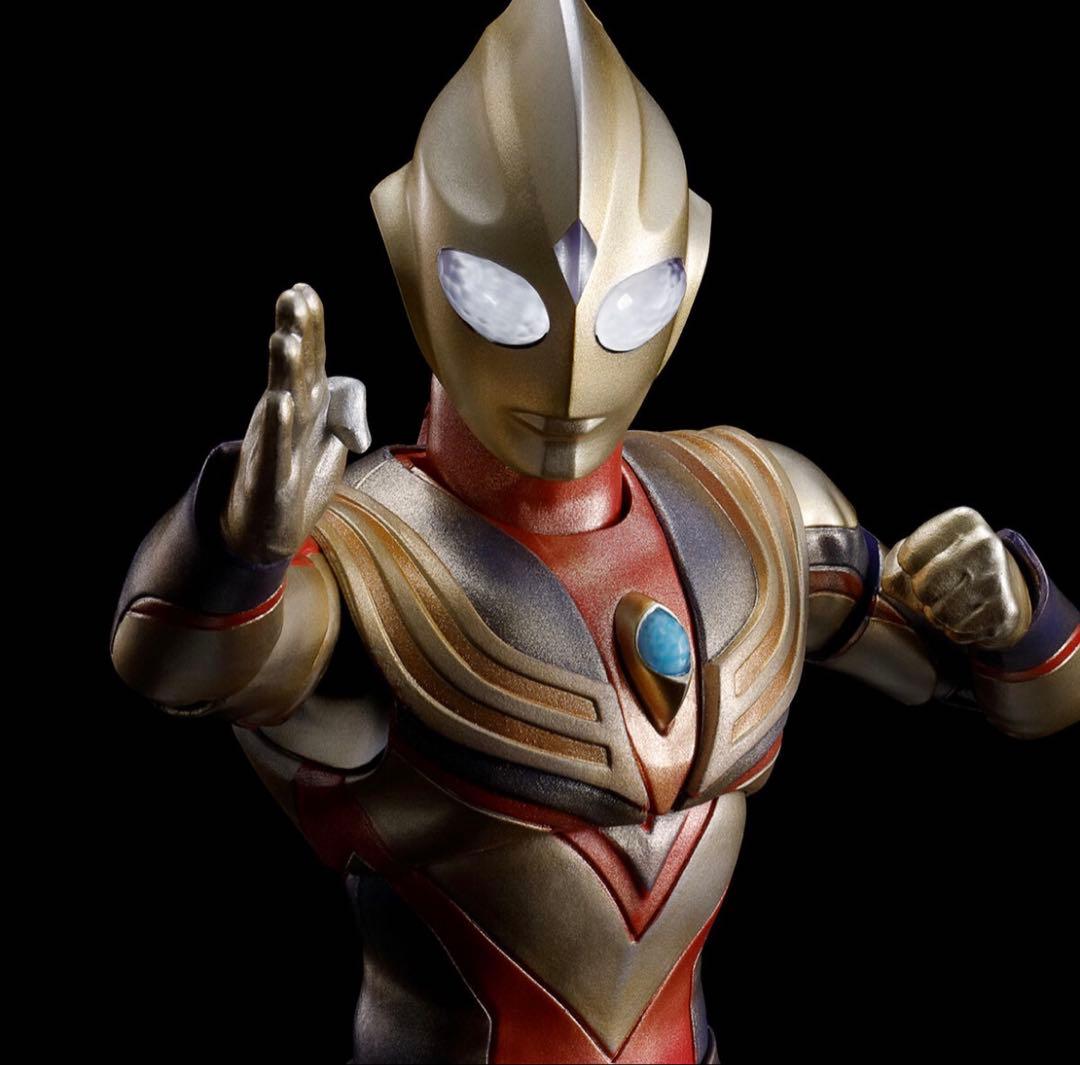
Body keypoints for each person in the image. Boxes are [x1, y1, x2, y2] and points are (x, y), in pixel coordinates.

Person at [109, 2, 1079, 1062]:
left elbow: (1027, 695)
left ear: (688, 272)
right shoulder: (364, 554)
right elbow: (180, 660)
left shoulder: (752, 504)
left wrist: (1012, 616)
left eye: (629, 304)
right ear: (411, 257)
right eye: (503, 301)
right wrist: (241, 541)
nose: (571, 371)